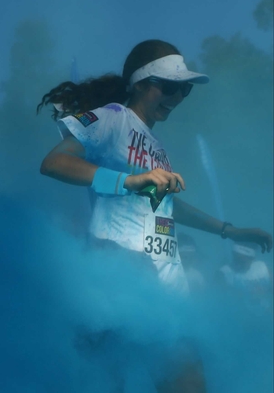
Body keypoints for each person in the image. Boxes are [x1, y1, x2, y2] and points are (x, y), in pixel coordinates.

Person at [37, 39, 272, 392]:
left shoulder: (158, 150)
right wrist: (129, 180)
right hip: (120, 287)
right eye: (170, 86)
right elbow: (53, 163)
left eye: (185, 91)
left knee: (189, 382)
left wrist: (229, 230)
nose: (177, 98)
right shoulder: (114, 117)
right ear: (141, 83)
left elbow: (167, 206)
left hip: (167, 293)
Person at [218, 243, 272, 309]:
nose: (238, 264)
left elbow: (271, 289)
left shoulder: (262, 267)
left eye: (242, 262)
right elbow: (218, 299)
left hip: (264, 311)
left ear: (252, 259)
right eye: (236, 260)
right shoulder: (224, 273)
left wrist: (265, 292)